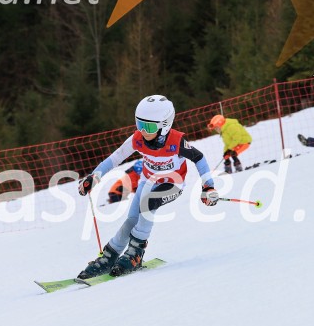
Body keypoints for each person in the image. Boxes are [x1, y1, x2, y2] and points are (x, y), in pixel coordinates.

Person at [78, 95, 218, 278]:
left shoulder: (176, 141)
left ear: (164, 125)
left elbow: (199, 158)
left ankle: (136, 253)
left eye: (149, 126)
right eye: (139, 124)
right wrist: (94, 176)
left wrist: (208, 187)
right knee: (132, 220)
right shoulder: (137, 139)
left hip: (172, 183)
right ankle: (109, 256)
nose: (143, 130)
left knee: (148, 203)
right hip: (147, 181)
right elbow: (115, 157)